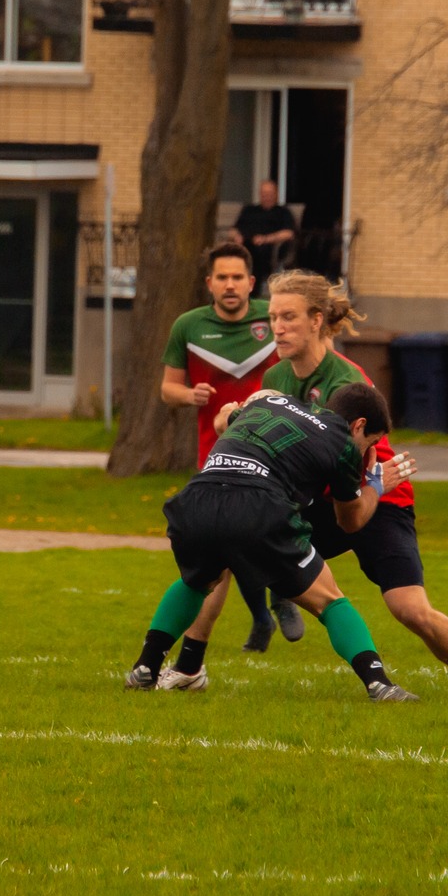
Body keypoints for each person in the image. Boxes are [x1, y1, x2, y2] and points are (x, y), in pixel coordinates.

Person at [255, 270, 448, 702]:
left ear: (317, 320)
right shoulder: (275, 378)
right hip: (327, 495)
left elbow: (335, 465)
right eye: (273, 317)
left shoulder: (347, 381)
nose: (278, 328)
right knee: (237, 537)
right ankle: (185, 665)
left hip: (379, 495)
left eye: (289, 317)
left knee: (410, 610)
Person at [127, 384, 420, 702]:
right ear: (359, 426)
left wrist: (240, 408)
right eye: (371, 443)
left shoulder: (273, 404)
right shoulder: (343, 444)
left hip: (197, 500)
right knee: (329, 599)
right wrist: (376, 485)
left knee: (198, 579)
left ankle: (146, 667)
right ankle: (379, 683)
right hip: (257, 508)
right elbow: (351, 521)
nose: (367, 452)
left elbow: (225, 417)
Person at [158, 241, 300, 651]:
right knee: (229, 543)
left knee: (275, 524)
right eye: (222, 277)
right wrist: (189, 396)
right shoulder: (188, 326)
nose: (230, 284)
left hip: (276, 447)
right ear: (209, 283)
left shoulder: (273, 321)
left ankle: (283, 597)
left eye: (238, 277)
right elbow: (167, 388)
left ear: (251, 282)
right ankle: (262, 617)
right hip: (216, 450)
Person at [230, 180, 297, 282]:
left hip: (266, 247)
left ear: (276, 194)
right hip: (244, 243)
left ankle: (254, 288)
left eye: (270, 194)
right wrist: (236, 236)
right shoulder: (249, 210)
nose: (266, 197)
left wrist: (266, 239)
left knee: (257, 252)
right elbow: (234, 229)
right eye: (264, 194)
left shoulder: (283, 212)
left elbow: (289, 233)